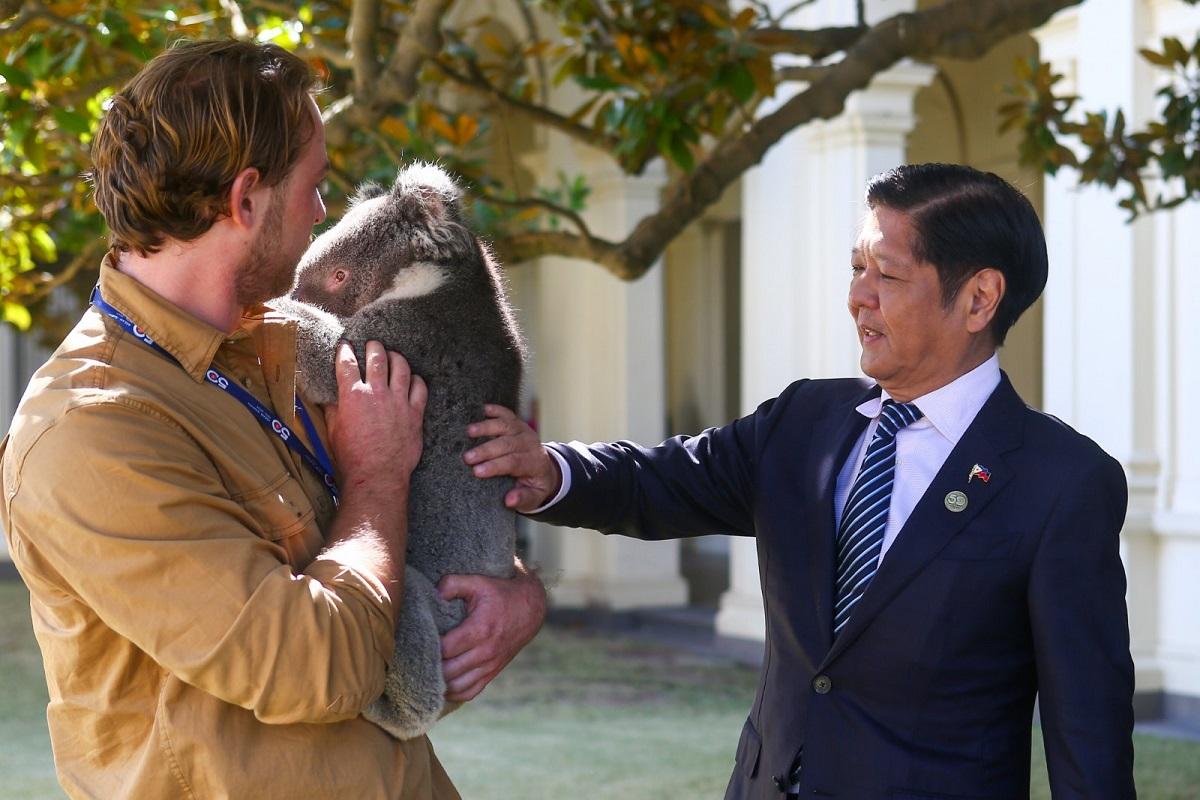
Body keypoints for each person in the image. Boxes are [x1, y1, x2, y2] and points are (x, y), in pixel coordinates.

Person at [466, 163, 1136, 798]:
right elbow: (659, 480)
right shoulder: (805, 422)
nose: (857, 297)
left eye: (888, 276)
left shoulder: (1062, 483)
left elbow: (1089, 738)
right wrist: (552, 470)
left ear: (979, 298)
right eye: (856, 268)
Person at [0, 40, 544, 799]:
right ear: (246, 198)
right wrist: (378, 472)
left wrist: (517, 594)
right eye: (315, 186)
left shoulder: (288, 341)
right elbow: (316, 669)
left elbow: (430, 515)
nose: (325, 214)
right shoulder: (89, 433)